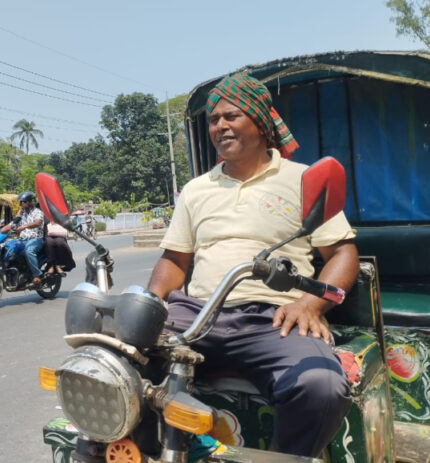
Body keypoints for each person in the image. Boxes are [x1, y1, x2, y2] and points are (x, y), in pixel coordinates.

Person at [146, 72, 359, 458]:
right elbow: (175, 260)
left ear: (261, 122)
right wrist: (148, 305)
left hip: (273, 319)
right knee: (114, 357)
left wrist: (311, 305)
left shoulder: (302, 179)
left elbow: (343, 254)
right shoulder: (195, 190)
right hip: (197, 315)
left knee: (322, 386)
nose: (220, 126)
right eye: (214, 119)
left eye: (232, 116)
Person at [1, 191, 44, 285]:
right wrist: (0, 231)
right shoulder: (22, 214)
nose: (20, 204)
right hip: (22, 240)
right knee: (7, 248)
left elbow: (38, 223)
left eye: (22, 202)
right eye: (20, 202)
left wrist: (24, 227)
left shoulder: (38, 212)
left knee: (28, 251)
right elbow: (12, 225)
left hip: (36, 239)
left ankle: (36, 275)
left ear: (29, 202)